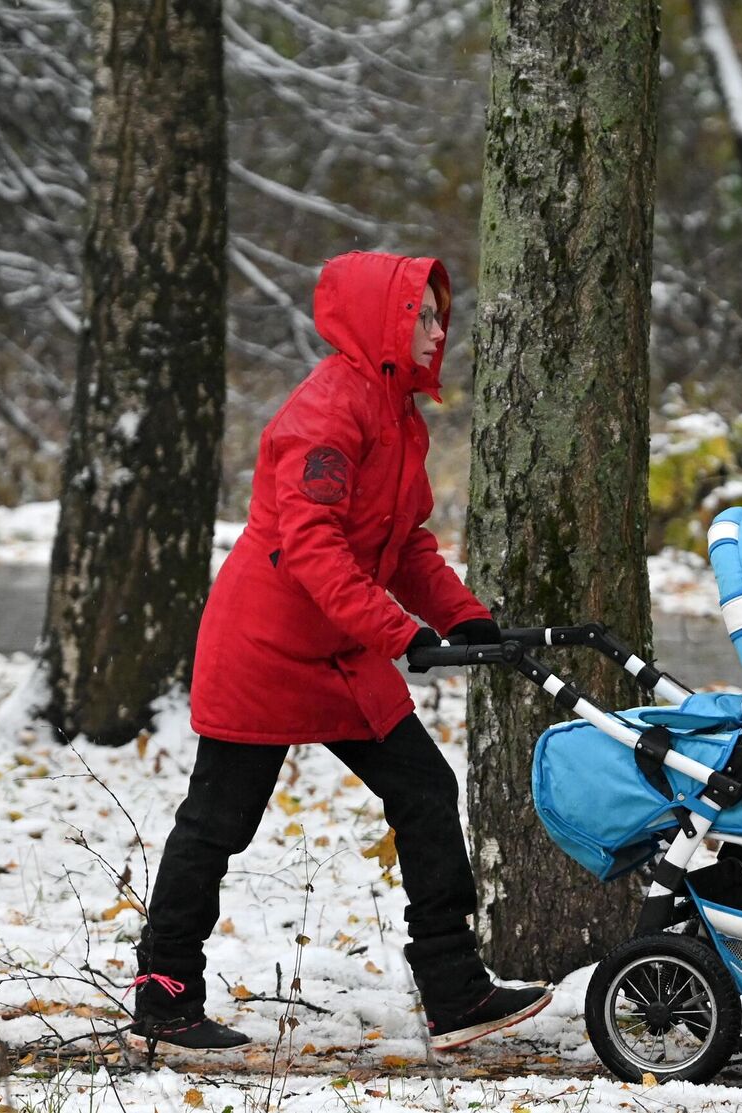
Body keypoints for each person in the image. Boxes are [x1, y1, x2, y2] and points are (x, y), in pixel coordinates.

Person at [130, 251, 549, 1052]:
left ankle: (455, 989)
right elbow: (314, 547)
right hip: (266, 644)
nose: (436, 332)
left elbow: (406, 544)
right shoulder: (327, 413)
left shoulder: (398, 415)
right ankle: (165, 994)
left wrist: (462, 617)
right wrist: (400, 634)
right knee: (219, 821)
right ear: (381, 323)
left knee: (426, 788)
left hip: (340, 649)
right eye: (420, 317)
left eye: (437, 316)